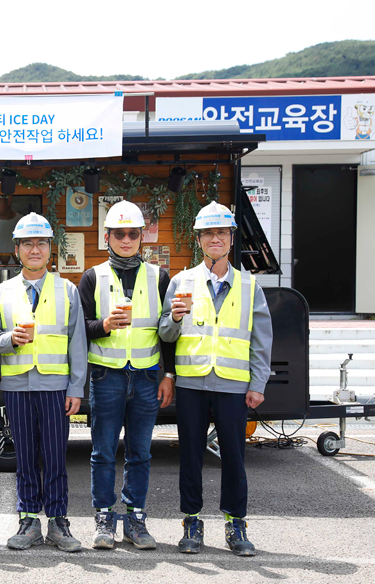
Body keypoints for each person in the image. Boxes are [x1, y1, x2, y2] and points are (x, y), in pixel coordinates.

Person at [159, 201, 273, 557]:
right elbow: (164, 333)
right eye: (208, 233)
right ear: (199, 240)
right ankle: (191, 522)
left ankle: (236, 524)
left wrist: (257, 384)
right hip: (192, 383)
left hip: (233, 386)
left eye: (221, 233)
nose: (215, 239)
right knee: (190, 456)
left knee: (234, 458)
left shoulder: (249, 285)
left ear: (231, 238)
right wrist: (175, 319)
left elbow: (260, 339)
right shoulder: (181, 281)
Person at [0, 212, 86, 553]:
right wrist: (9, 338)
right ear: (17, 250)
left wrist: (75, 387)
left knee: (56, 458)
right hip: (17, 387)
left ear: (50, 249)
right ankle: (28, 520)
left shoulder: (67, 289)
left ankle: (58, 522)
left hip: (56, 388)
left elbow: (77, 343)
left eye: (41, 242)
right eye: (27, 243)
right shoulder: (2, 292)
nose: (35, 249)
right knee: (25, 458)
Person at [78, 200, 175, 551]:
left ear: (141, 238)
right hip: (107, 376)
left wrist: (170, 375)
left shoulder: (159, 277)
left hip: (148, 376)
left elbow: (167, 331)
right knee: (103, 452)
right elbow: (81, 328)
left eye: (132, 234)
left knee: (141, 453)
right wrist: (103, 325)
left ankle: (136, 519)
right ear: (107, 237)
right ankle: (104, 518)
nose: (126, 240)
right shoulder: (92, 277)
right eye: (119, 234)